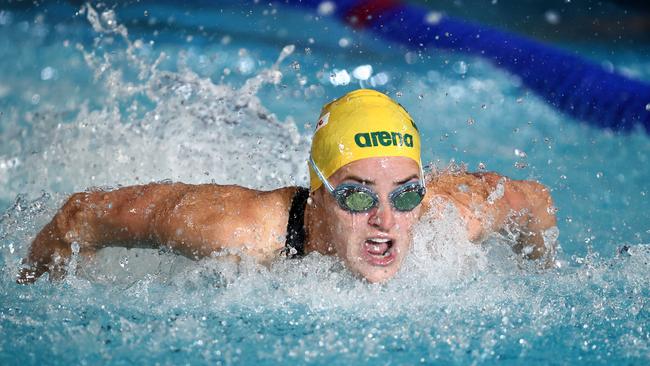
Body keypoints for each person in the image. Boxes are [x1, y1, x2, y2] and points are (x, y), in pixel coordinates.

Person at [17, 89, 557, 284]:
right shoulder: (236, 230)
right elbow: (78, 215)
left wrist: (540, 279)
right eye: (358, 195)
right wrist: (32, 297)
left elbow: (534, 200)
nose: (387, 222)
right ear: (319, 192)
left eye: (406, 193)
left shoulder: (450, 215)